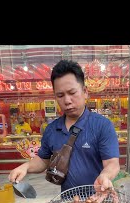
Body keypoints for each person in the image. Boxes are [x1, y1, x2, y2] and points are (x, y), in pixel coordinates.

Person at [8, 60, 120, 192]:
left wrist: (105, 176)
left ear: (85, 92)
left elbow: (112, 163)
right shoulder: (51, 129)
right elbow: (43, 160)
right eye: (60, 95)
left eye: (72, 93)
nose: (67, 101)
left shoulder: (102, 125)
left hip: (97, 200)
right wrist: (25, 167)